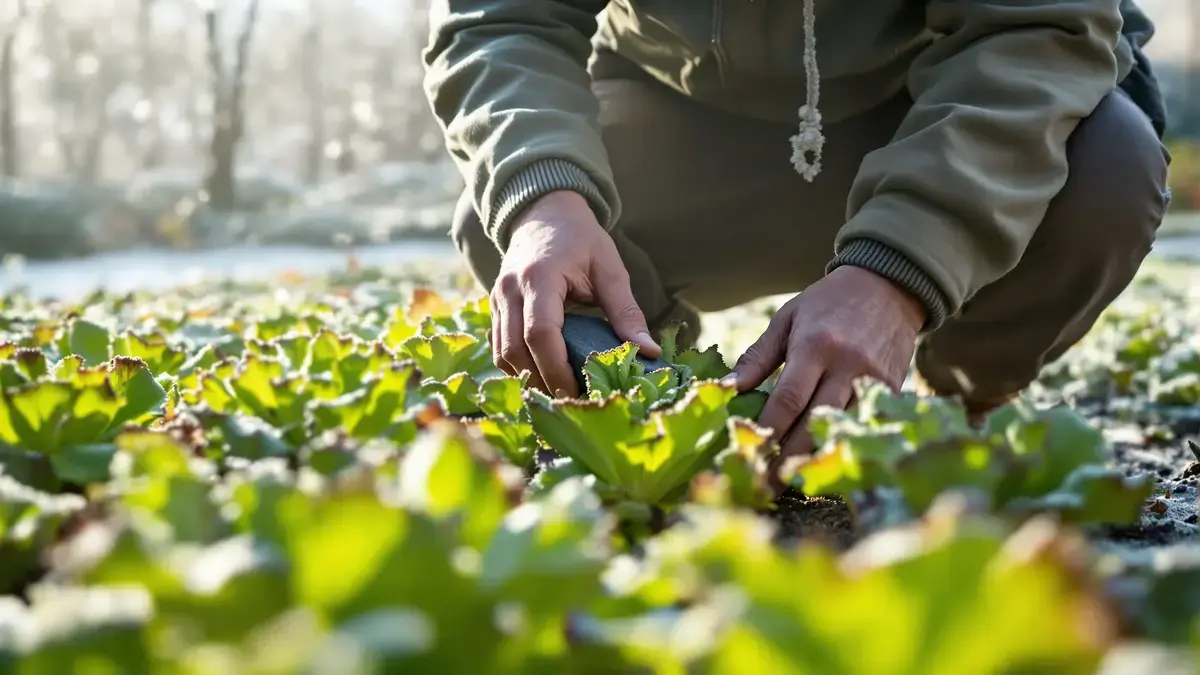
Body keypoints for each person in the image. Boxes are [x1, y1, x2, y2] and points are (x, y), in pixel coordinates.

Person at [422, 0, 1172, 458]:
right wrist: (544, 199)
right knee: (518, 215)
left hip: (931, 115)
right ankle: (658, 408)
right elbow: (501, 18)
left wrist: (898, 275)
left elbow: (1038, 34)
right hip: (691, 125)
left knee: (1109, 165)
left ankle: (946, 416)